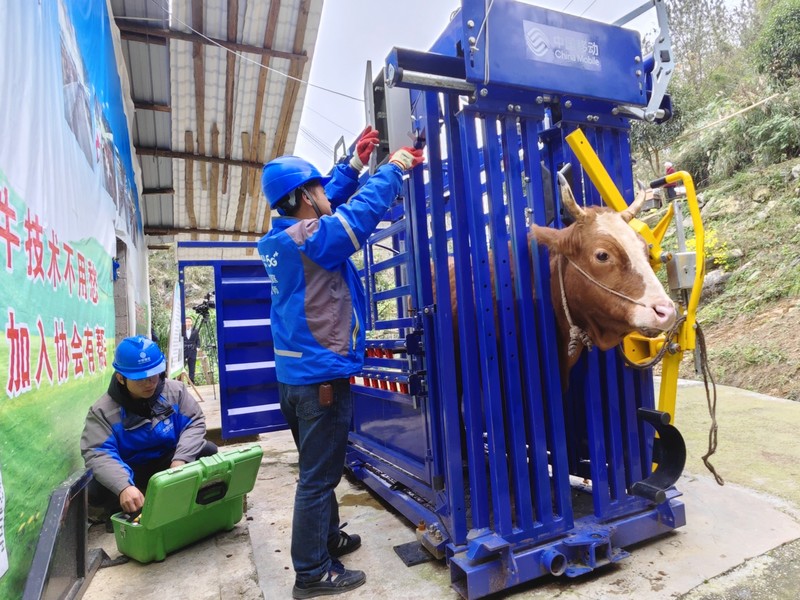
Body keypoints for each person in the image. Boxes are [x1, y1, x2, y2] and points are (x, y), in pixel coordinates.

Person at [258, 126, 423, 599]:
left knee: (320, 466)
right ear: (301, 199)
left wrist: (351, 166)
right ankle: (311, 574)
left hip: (296, 380)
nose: (321, 192)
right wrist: (391, 169)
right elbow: (353, 218)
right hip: (321, 381)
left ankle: (328, 540)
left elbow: (325, 202)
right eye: (315, 187)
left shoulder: (282, 235)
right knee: (318, 479)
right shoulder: (314, 239)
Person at [81, 335, 217, 519]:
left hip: (168, 462)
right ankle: (124, 510)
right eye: (140, 379)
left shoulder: (175, 391)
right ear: (121, 378)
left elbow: (194, 422)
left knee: (208, 450)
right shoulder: (102, 411)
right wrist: (124, 486)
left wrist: (180, 461)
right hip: (131, 469)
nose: (150, 383)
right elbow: (98, 452)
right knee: (96, 489)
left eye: (154, 374)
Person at [183, 316, 200, 383]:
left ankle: (191, 381)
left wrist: (198, 347)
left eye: (189, 321)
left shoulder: (195, 330)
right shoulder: (182, 330)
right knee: (181, 366)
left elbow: (198, 340)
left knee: (192, 367)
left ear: (191, 323)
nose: (188, 323)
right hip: (184, 350)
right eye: (186, 321)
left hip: (192, 350)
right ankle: (180, 381)